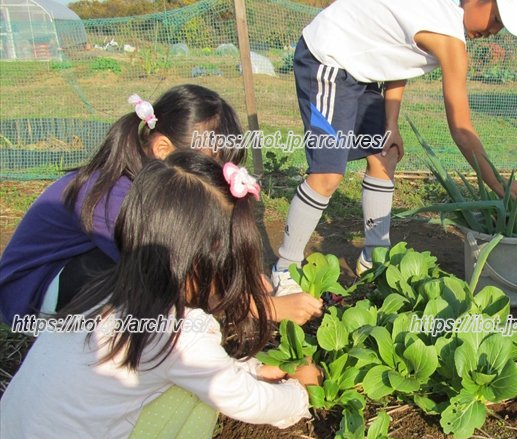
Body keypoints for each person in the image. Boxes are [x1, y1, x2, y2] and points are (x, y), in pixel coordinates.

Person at [0, 151, 324, 439]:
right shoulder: (178, 334)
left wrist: (252, 368)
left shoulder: (107, 286)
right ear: (204, 261)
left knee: (188, 377)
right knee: (195, 392)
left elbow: (186, 363)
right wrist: (298, 393)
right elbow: (245, 400)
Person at [271, 0, 517, 296]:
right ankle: (285, 269)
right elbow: (461, 130)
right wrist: (500, 184)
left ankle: (375, 258)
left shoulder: (441, 13)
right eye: (497, 19)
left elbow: (398, 54)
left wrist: (391, 123)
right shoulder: (449, 38)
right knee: (327, 175)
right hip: (329, 56)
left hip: (360, 67)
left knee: (384, 156)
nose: (494, 31)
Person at [0, 84, 322, 327]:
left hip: (72, 282)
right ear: (163, 149)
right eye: (209, 167)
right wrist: (260, 307)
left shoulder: (153, 184)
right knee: (153, 281)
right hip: (33, 298)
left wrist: (244, 280)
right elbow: (170, 274)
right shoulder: (115, 195)